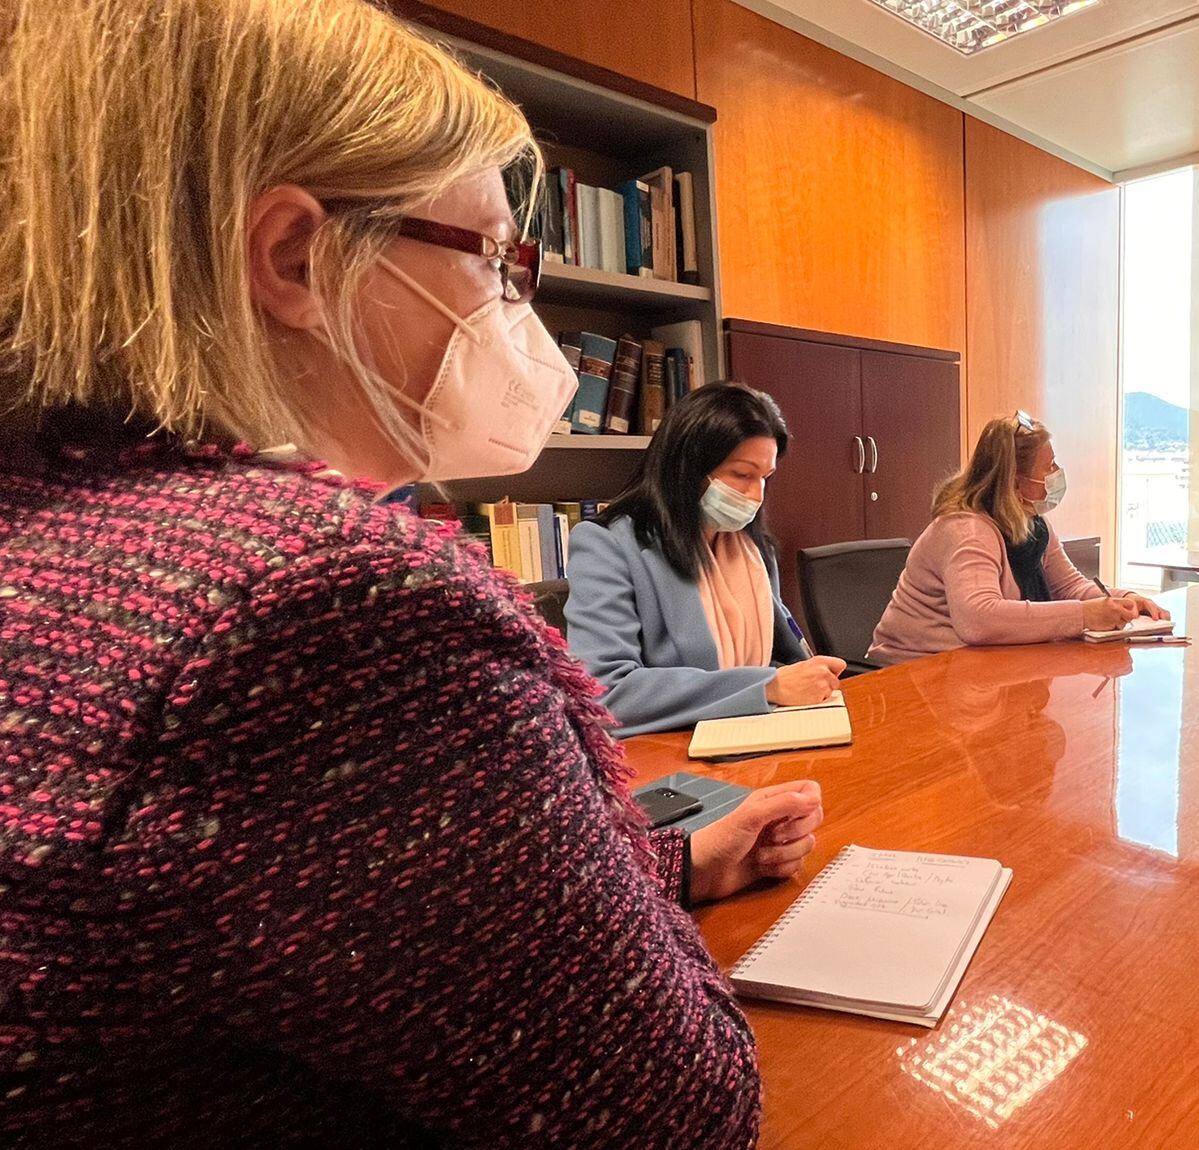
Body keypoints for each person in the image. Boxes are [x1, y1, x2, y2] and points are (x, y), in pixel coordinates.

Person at [0, 1, 816, 1144]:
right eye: (497, 259)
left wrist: (657, 862)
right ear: (296, 256)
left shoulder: (60, 529)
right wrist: (624, 912)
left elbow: (310, 920)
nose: (519, 313)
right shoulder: (317, 606)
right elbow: (673, 1112)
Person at [566, 384, 848, 736]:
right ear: (688, 468)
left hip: (758, 732)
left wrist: (807, 676)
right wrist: (764, 687)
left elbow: (780, 656)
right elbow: (604, 691)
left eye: (765, 478)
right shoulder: (607, 544)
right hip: (668, 748)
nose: (757, 495)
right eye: (742, 475)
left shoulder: (752, 547)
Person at [868, 412, 1168, 664]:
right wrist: (1084, 615)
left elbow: (1068, 586)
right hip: (914, 670)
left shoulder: (1032, 522)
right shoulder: (965, 529)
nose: (1056, 474)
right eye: (1048, 467)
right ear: (1014, 481)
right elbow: (979, 619)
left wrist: (1123, 599)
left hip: (974, 664)